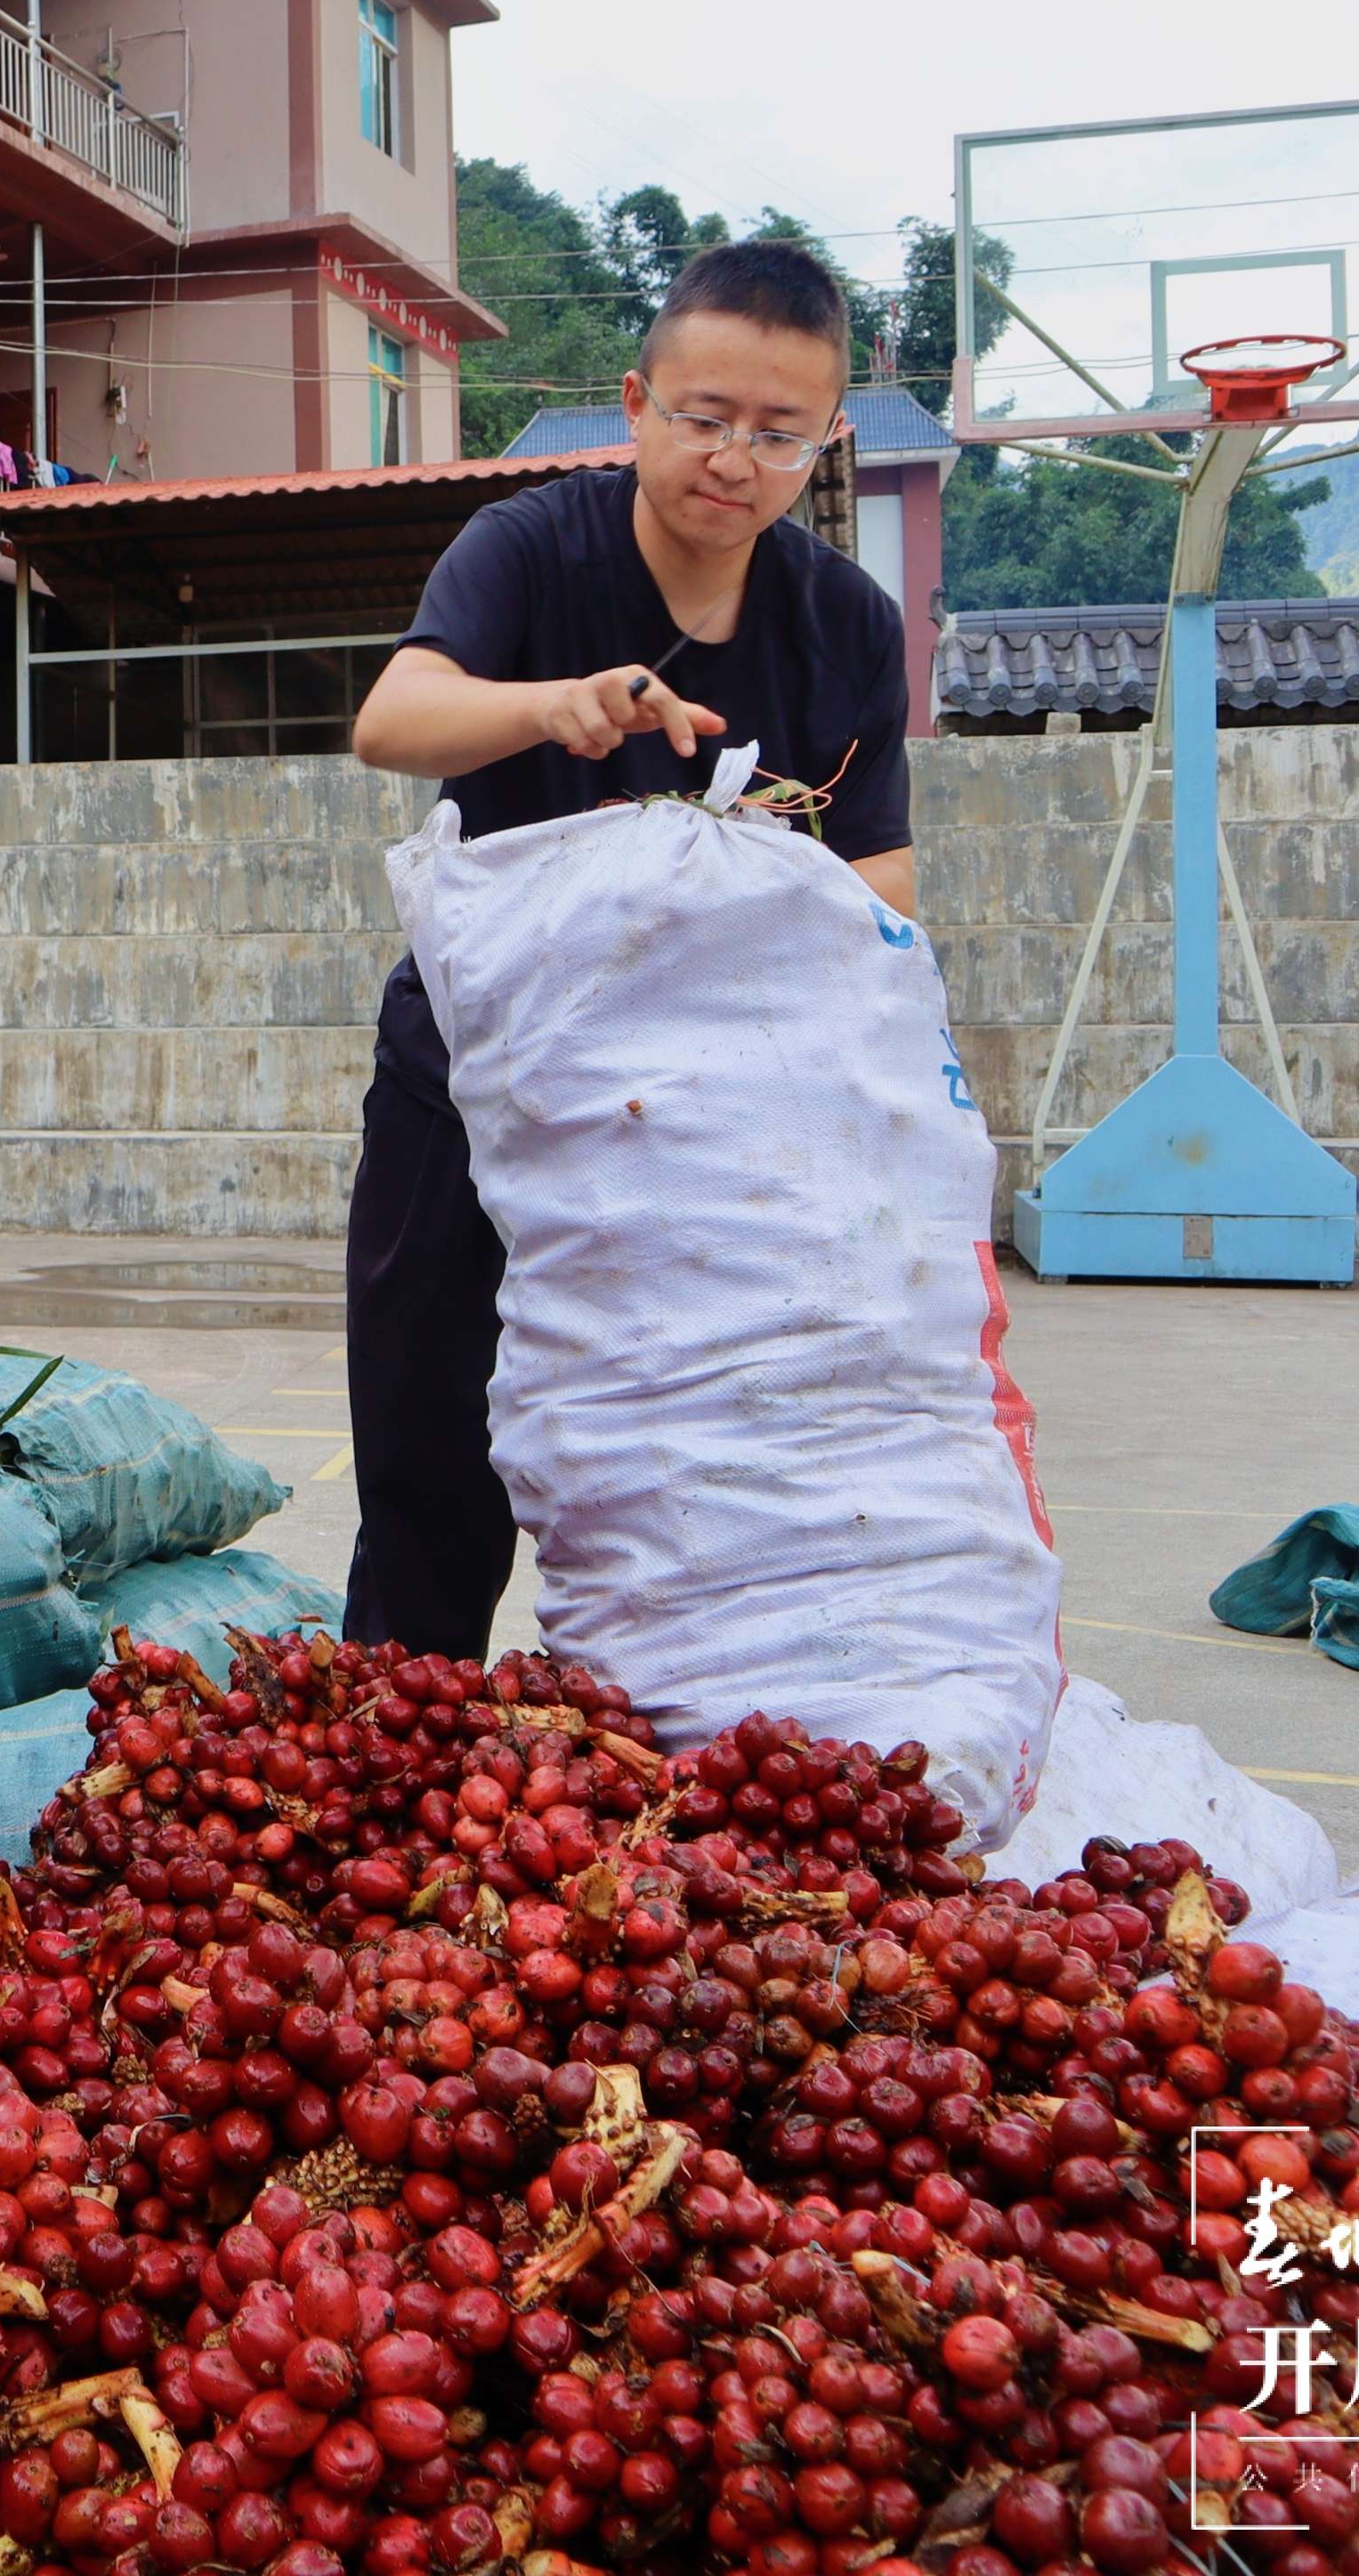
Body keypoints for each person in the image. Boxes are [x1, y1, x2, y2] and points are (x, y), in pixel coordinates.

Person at [337, 239, 914, 1659]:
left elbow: (881, 884)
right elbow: (393, 719)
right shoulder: (532, 547)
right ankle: (400, 1726)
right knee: (430, 1460)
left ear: (826, 443)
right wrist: (551, 706)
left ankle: (664, 1749)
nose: (734, 459)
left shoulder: (846, 622)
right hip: (476, 1084)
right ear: (637, 403)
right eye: (704, 417)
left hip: (702, 1126)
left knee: (691, 1465)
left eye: (777, 434)